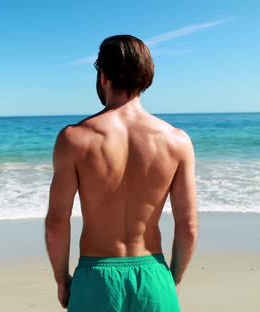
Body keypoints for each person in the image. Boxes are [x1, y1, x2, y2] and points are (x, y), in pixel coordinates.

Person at [45, 35, 198, 312]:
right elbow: (188, 226)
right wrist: (171, 280)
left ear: (103, 76)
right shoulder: (177, 141)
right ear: (146, 76)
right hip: (153, 275)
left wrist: (62, 279)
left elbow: (57, 222)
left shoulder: (75, 138)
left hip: (96, 278)